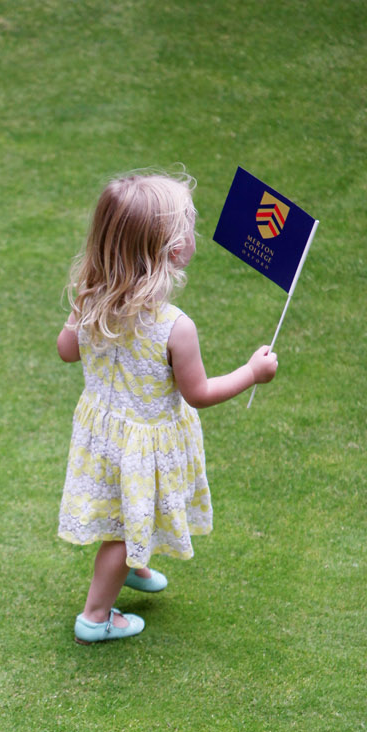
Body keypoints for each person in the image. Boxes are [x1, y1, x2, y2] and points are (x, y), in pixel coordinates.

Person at [57, 171, 278, 643]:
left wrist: (79, 311)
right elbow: (198, 392)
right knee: (120, 527)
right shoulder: (175, 326)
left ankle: (135, 563)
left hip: (104, 432)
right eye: (188, 227)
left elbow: (66, 350)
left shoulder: (92, 295)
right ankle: (95, 617)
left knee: (131, 509)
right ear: (173, 250)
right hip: (145, 440)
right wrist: (251, 373)